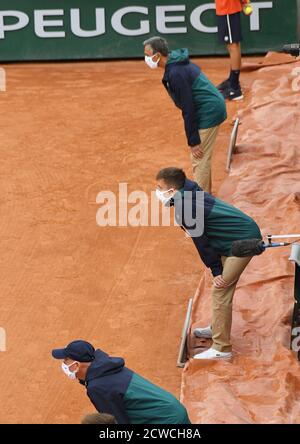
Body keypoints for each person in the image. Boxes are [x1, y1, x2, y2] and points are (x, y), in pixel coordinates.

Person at [155, 167, 262, 360]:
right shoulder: (189, 190)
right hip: (233, 236)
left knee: (220, 289)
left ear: (172, 190)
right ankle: (216, 328)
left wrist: (216, 270)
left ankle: (222, 349)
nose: (157, 192)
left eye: (160, 188)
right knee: (221, 288)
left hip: (241, 241)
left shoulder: (186, 209)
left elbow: (202, 243)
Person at [143, 36, 227, 194]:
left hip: (209, 110)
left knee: (199, 157)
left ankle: (202, 204)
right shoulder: (175, 65)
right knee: (202, 157)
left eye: (148, 55)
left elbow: (188, 108)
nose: (146, 58)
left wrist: (193, 140)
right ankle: (205, 196)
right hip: (209, 106)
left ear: (158, 55)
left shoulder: (176, 73)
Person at [52, 340, 191, 424]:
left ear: (78, 365)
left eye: (66, 360)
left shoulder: (97, 387)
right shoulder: (107, 368)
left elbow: (118, 424)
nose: (64, 364)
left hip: (165, 422)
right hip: (172, 410)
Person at [215, 0, 253, 100]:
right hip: (225, 6)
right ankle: (232, 80)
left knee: (233, 45)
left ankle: (235, 88)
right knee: (232, 44)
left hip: (228, 7)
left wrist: (245, 2)